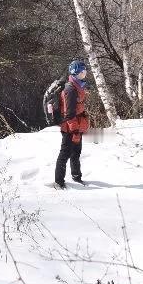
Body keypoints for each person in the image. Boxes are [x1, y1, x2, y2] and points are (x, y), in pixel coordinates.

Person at [54, 60, 91, 188]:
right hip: (69, 127)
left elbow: (78, 107)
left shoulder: (78, 86)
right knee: (65, 154)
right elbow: (69, 113)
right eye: (82, 72)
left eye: (85, 71)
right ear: (76, 73)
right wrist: (74, 131)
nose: (84, 74)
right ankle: (59, 182)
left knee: (76, 153)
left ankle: (76, 177)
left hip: (77, 125)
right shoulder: (70, 89)